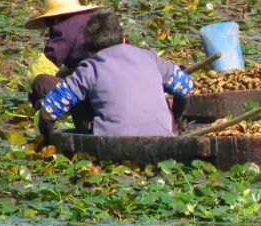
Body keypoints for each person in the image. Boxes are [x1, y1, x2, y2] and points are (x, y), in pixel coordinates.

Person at [37, 10, 194, 139]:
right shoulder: (149, 57)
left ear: (90, 49)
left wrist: (47, 137)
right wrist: (177, 118)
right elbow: (186, 87)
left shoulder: (89, 68)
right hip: (164, 137)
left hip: (110, 141)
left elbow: (49, 110)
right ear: (124, 39)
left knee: (77, 100)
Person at [25, 0, 102, 131]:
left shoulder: (64, 28)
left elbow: (43, 67)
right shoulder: (100, 22)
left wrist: (35, 98)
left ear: (54, 18)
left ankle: (83, 126)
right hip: (120, 85)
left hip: (97, 92)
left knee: (41, 81)